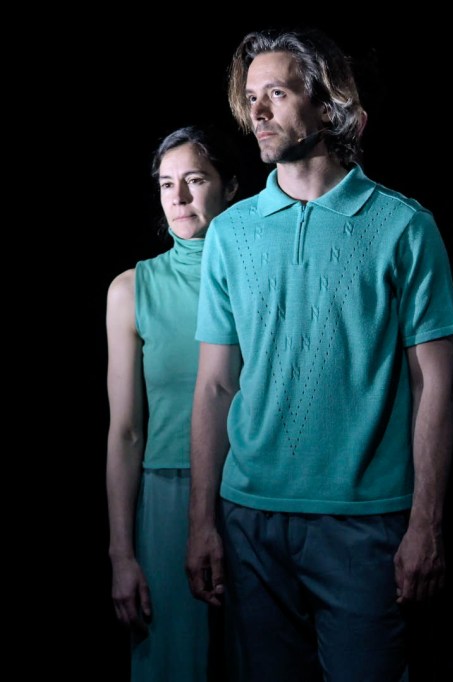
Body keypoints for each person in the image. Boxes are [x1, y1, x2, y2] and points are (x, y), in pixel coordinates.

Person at [185, 28, 453, 681]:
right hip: (250, 517)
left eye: (276, 94)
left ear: (327, 101)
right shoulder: (229, 233)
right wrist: (201, 521)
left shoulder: (405, 226)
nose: (257, 112)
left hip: (364, 523)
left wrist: (426, 524)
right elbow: (215, 386)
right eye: (251, 97)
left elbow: (435, 386)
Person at [106, 125, 240, 681]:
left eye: (195, 180)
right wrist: (122, 555)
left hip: (251, 490)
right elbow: (125, 432)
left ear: (230, 186)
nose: (179, 197)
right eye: (166, 183)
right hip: (165, 498)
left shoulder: (260, 277)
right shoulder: (131, 289)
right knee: (171, 665)